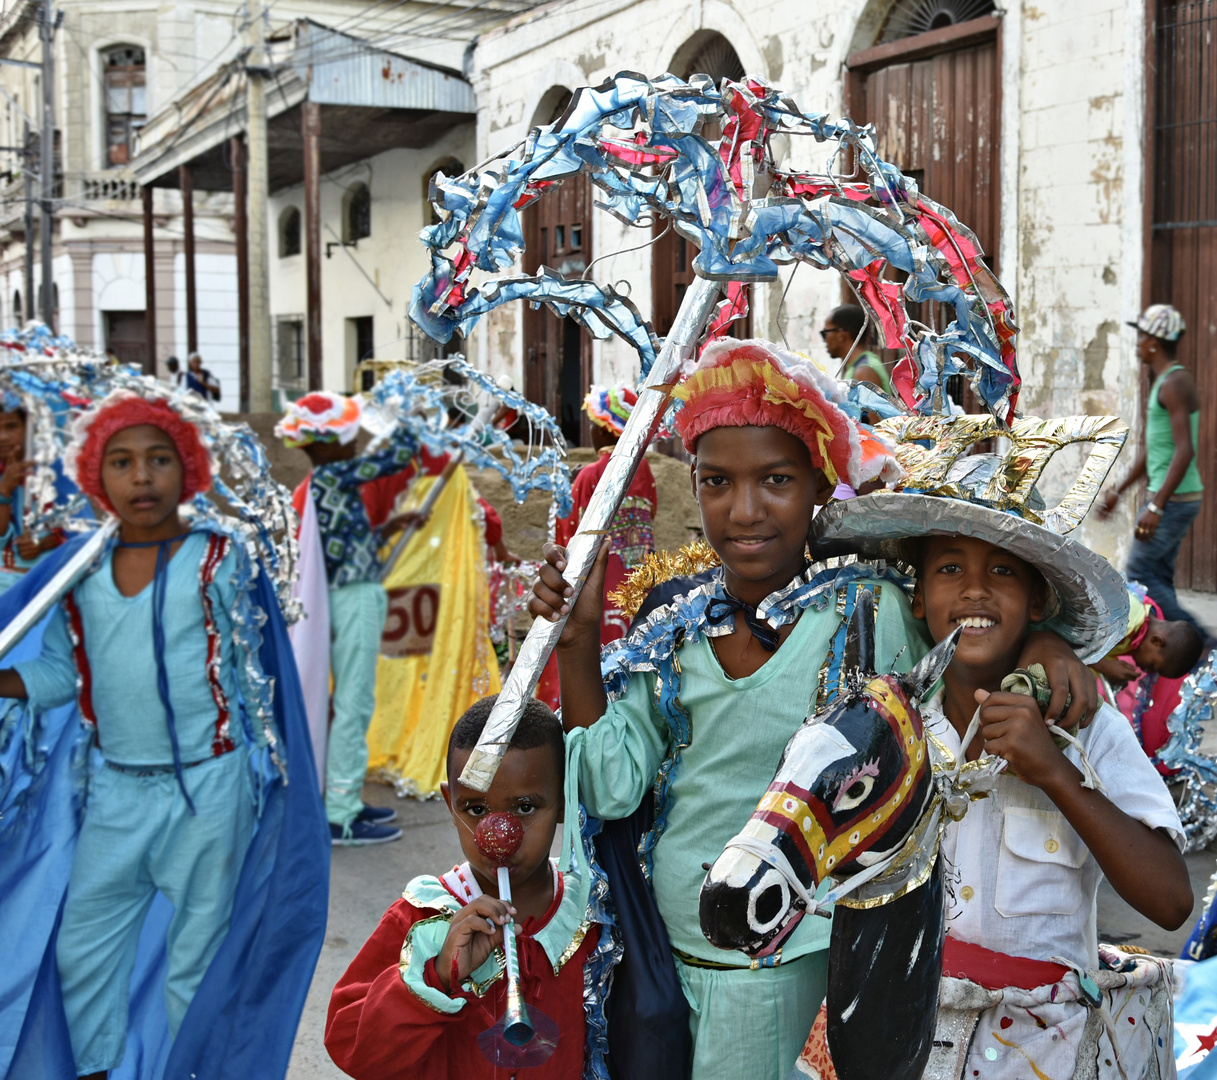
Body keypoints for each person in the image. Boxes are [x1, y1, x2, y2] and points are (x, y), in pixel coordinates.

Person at [529, 338, 1097, 1080]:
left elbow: (973, 630)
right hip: (658, 956)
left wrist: (1047, 646)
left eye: (775, 480)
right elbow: (608, 785)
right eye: (715, 482)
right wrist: (576, 647)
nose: (744, 510)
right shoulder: (671, 626)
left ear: (820, 487)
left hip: (785, 957)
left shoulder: (869, 610)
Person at [809, 427, 1191, 1080]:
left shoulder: (1084, 725)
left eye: (1002, 572)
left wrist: (1056, 774)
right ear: (919, 593)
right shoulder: (885, 731)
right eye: (949, 568)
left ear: (1036, 599)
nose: (974, 591)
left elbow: (1169, 901)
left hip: (1044, 1051)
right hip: (903, 1041)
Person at [0, 389, 329, 1079]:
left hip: (210, 789)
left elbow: (265, 670)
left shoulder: (222, 557)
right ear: (95, 476)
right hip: (115, 790)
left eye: (157, 459)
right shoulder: (78, 569)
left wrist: (275, 778)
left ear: (189, 469)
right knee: (82, 947)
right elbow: (60, 676)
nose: (141, 477)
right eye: (120, 462)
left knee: (198, 957)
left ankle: (191, 1069)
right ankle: (93, 1070)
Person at [325, 695, 616, 1080]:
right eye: (476, 810)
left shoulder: (591, 915)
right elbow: (353, 1048)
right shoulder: (422, 917)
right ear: (450, 804)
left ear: (564, 800)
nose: (498, 837)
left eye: (525, 807)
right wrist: (437, 977)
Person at [278, 391, 423, 844]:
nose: (356, 441)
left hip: (349, 595)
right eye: (347, 435)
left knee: (350, 702)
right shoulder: (333, 477)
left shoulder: (321, 484)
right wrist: (406, 412)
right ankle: (340, 811)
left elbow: (346, 542)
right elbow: (401, 454)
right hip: (353, 597)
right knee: (355, 702)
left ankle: (344, 799)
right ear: (325, 445)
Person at [536, 384, 657, 710]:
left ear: (604, 427)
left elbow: (569, 533)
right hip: (638, 577)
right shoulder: (643, 470)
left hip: (599, 584)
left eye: (592, 422)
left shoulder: (589, 475)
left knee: (593, 654)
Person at [1097, 303, 1203, 627]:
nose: (1137, 342)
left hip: (1172, 501)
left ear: (1155, 342)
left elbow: (1184, 451)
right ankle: (1173, 647)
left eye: (1141, 336)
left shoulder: (1173, 383)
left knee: (1141, 574)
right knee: (1158, 577)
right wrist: (1120, 490)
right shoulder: (1164, 382)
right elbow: (1152, 451)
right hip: (1170, 499)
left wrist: (1155, 507)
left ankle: (1200, 642)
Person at [0, 400, 64, 592]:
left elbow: (76, 527)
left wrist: (43, 544)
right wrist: (4, 490)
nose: (2, 437)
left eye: (11, 426)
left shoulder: (54, 469)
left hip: (48, 575)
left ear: (29, 427)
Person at [820, 303, 893, 393]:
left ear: (840, 335)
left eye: (825, 333)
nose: (824, 340)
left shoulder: (863, 371)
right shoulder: (856, 367)